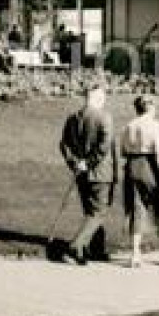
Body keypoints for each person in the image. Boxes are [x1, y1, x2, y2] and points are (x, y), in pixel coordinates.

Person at [55, 82, 117, 265]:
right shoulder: (104, 117)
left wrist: (75, 163)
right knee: (98, 213)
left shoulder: (72, 117)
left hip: (81, 174)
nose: (105, 101)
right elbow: (104, 147)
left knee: (91, 212)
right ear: (98, 98)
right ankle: (76, 247)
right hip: (100, 173)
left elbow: (63, 144)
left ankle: (94, 249)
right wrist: (87, 163)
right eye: (103, 98)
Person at [119, 94, 159, 267]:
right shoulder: (155, 126)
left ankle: (135, 254)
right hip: (150, 164)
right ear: (150, 107)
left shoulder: (129, 126)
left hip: (132, 166)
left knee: (136, 208)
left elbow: (123, 151)